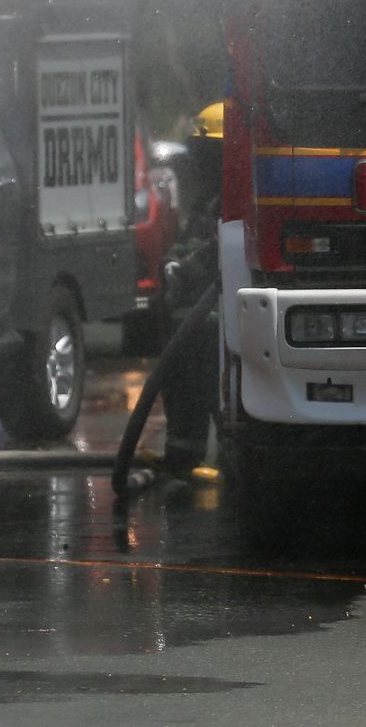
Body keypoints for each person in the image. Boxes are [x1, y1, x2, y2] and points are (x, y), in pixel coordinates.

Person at [151, 101, 224, 484]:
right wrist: (172, 262)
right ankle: (182, 457)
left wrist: (185, 266)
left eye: (209, 153)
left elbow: (215, 250)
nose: (202, 162)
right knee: (183, 385)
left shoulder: (234, 201)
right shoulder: (209, 200)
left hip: (215, 321)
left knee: (215, 391)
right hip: (192, 321)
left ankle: (227, 461)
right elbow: (190, 242)